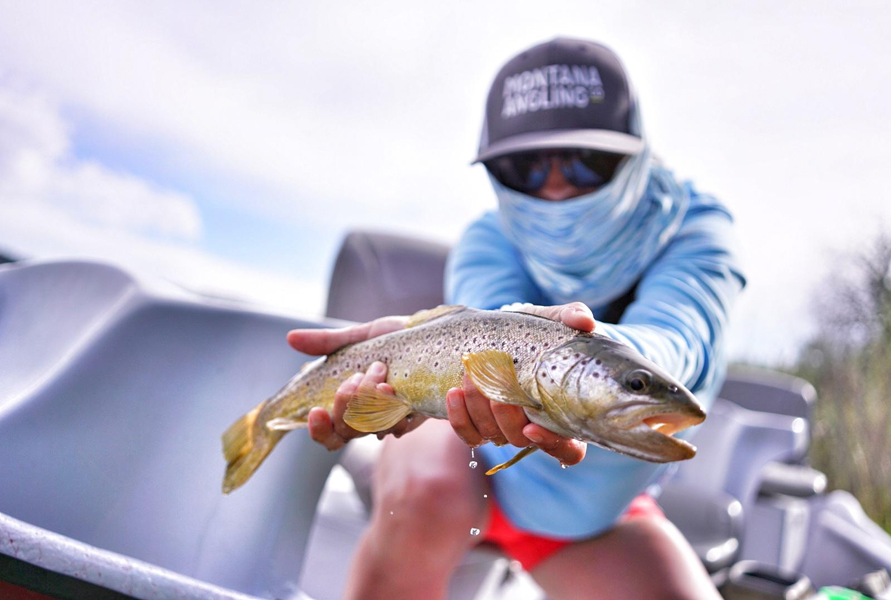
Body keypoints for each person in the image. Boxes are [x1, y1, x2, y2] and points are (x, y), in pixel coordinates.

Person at [290, 37, 745, 599]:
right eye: (523, 166)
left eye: (588, 161)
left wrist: (609, 364)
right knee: (425, 493)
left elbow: (682, 332)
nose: (555, 186)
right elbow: (486, 335)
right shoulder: (486, 238)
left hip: (586, 511)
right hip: (460, 451)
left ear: (638, 154)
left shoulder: (697, 231)